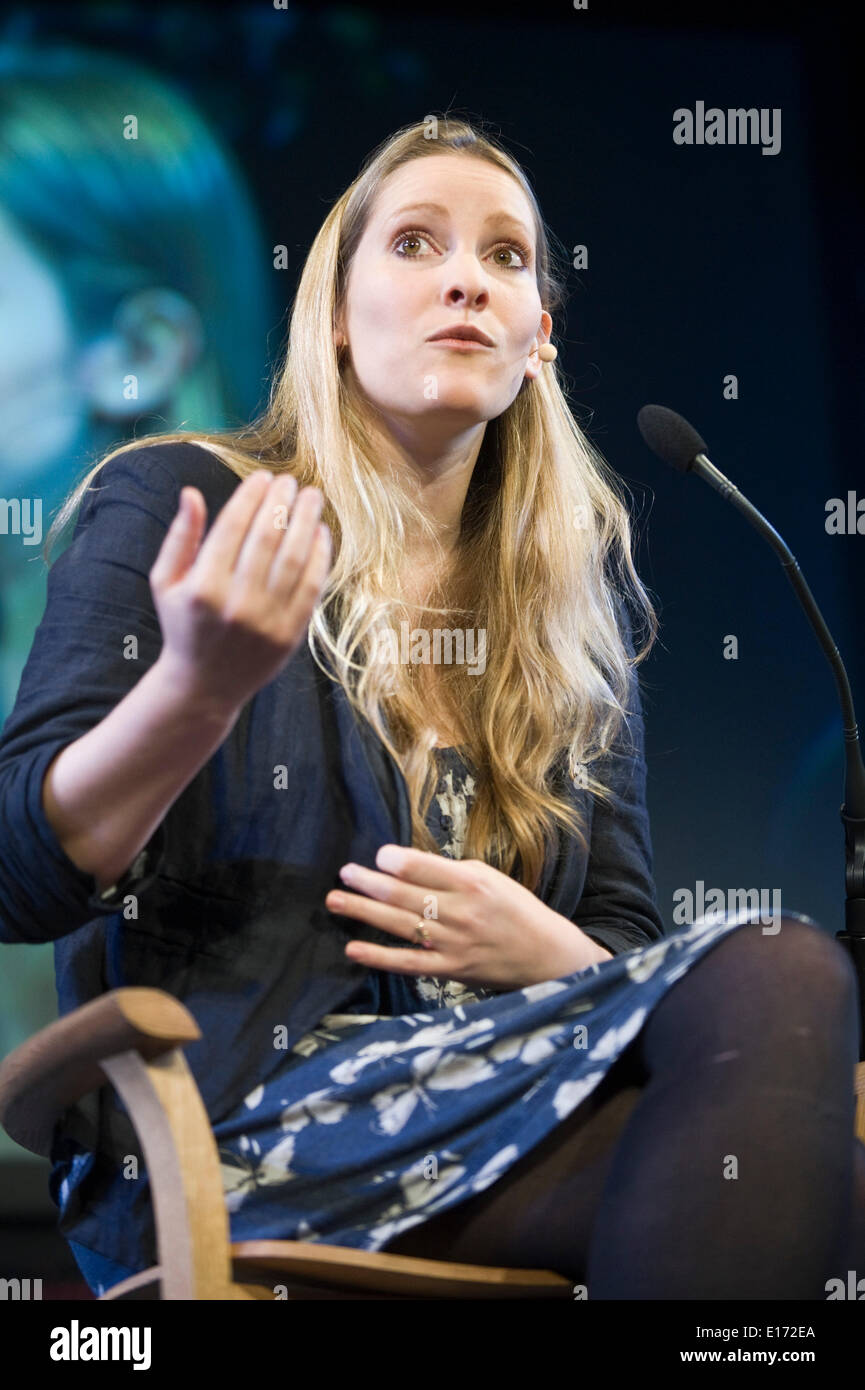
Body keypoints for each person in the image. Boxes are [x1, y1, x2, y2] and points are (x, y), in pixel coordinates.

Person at [0, 116, 862, 1301]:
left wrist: (548, 958)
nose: (467, 276)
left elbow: (616, 937)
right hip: (236, 1122)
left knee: (804, 1161)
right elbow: (19, 867)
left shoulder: (572, 606)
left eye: (506, 258)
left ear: (537, 342)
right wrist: (197, 690)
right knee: (782, 985)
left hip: (497, 1106)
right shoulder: (185, 499)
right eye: (415, 242)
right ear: (338, 319)